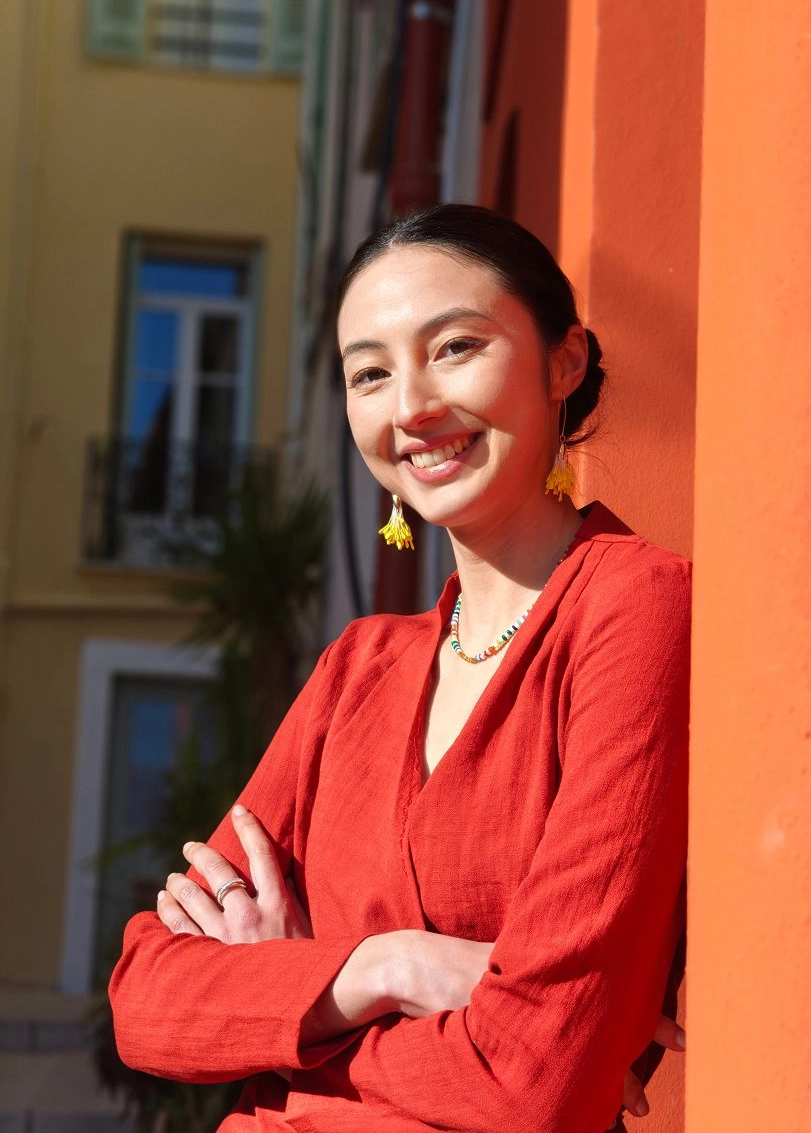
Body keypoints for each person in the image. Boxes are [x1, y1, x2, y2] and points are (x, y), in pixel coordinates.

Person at [110, 204, 691, 1132]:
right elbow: (145, 998)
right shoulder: (358, 668)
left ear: (565, 362)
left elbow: (532, 1078)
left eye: (456, 348)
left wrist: (285, 1014)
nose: (411, 408)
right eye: (369, 373)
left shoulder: (635, 610)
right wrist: (385, 967)